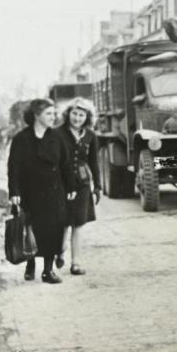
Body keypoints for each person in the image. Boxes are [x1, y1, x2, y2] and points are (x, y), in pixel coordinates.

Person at [7, 98, 76, 284]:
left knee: (53, 230)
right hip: (29, 191)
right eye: (49, 114)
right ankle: (30, 263)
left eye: (54, 113)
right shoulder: (21, 139)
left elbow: (67, 164)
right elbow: (14, 167)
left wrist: (71, 186)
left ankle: (48, 270)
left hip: (54, 191)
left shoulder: (57, 137)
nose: (53, 117)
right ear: (37, 116)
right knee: (31, 228)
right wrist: (14, 191)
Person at [57, 98, 101, 276]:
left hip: (82, 185)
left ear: (87, 117)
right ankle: (59, 252)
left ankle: (76, 263)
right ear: (68, 114)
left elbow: (94, 162)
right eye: (74, 114)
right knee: (63, 223)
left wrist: (97, 186)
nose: (77, 118)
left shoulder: (91, 136)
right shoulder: (57, 134)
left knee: (79, 224)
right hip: (61, 184)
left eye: (81, 115)